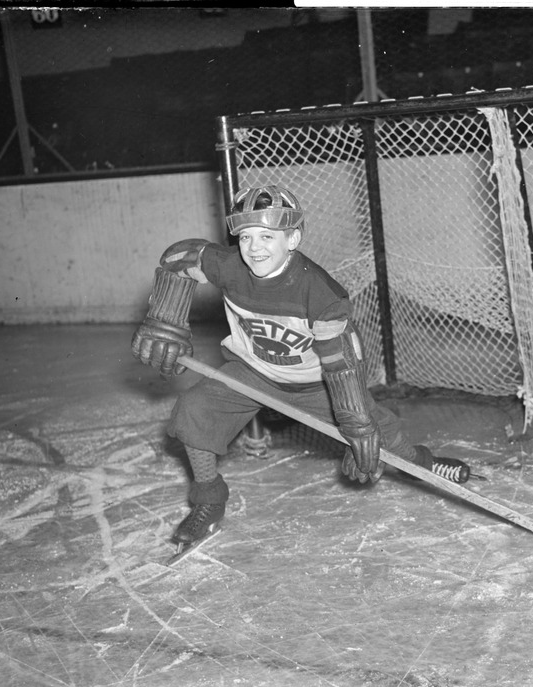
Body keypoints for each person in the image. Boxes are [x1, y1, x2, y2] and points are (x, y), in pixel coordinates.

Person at [131, 184, 470, 549]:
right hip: (253, 372)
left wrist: (356, 423)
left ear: (292, 239)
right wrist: (165, 318)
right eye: (245, 237)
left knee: (381, 438)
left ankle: (424, 463)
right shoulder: (231, 266)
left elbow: (340, 364)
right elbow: (180, 257)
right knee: (194, 410)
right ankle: (209, 502)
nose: (254, 247)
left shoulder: (320, 292)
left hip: (317, 384)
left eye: (267, 236)